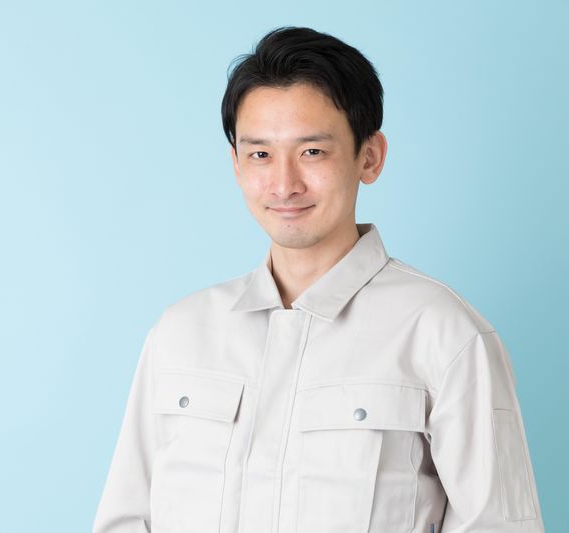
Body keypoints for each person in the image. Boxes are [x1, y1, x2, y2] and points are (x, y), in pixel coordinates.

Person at [92, 26, 545, 533]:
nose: (284, 184)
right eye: (260, 154)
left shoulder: (444, 334)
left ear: (369, 157)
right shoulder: (180, 333)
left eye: (312, 152)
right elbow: (124, 520)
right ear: (236, 164)